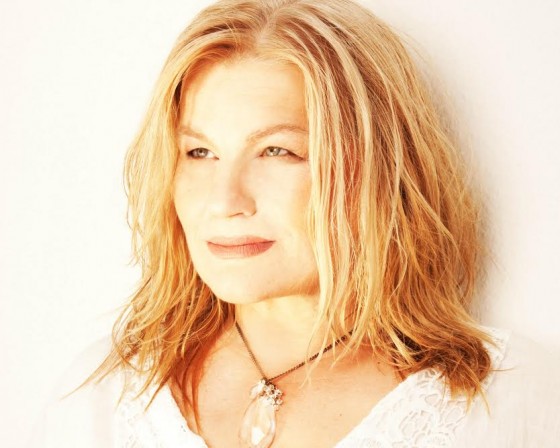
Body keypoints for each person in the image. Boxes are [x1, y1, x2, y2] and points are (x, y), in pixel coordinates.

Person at [31, 0, 560, 447]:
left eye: (277, 151)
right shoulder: (102, 398)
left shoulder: (507, 400)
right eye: (199, 152)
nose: (225, 200)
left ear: (374, 169)